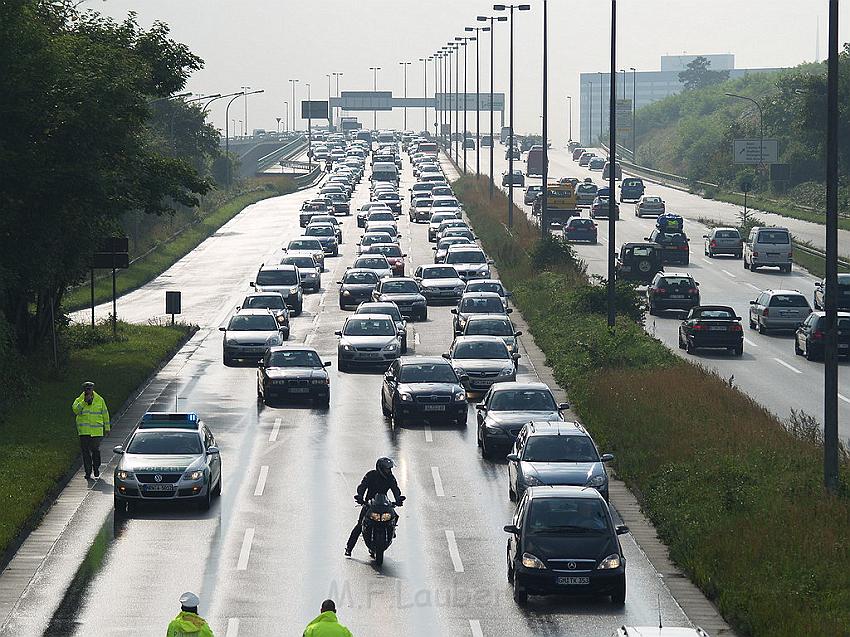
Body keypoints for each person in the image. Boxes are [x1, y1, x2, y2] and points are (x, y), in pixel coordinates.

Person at [345, 457, 404, 557]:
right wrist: (360, 496)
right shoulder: (371, 475)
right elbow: (362, 486)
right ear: (380, 468)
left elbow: (395, 489)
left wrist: (398, 499)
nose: (389, 471)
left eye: (390, 469)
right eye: (387, 469)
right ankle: (349, 548)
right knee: (359, 525)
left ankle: (392, 531)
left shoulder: (390, 478)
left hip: (384, 504)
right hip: (369, 504)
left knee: (395, 516)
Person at [72, 381, 110, 479]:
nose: (88, 390)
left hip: (96, 432)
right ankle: (88, 471)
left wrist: (107, 428)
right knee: (85, 452)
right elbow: (75, 410)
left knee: (95, 450)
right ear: (84, 390)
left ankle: (96, 467)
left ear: (93, 389)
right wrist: (84, 402)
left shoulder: (99, 400)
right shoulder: (79, 400)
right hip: (84, 432)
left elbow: (105, 414)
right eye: (86, 389)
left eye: (90, 389)